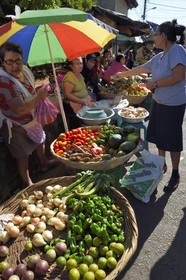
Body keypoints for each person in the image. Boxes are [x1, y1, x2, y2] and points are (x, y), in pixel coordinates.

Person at [115, 20, 186, 192]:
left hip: (173, 105)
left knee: (173, 139)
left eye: (155, 34)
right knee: (161, 137)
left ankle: (175, 173)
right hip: (159, 102)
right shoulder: (160, 56)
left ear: (163, 36)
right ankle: (161, 165)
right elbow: (141, 69)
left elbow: (179, 76)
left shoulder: (177, 50)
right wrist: (122, 74)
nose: (153, 38)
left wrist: (154, 85)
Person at [0, 42, 57, 188]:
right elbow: (20, 109)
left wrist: (36, 91)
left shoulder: (24, 72)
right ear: (2, 62)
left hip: (32, 119)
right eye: (10, 61)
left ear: (22, 60)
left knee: (39, 141)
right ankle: (28, 183)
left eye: (18, 60)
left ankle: (44, 164)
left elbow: (27, 90)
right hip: (15, 125)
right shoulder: (4, 81)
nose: (15, 66)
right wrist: (38, 95)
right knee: (22, 155)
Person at [62, 57, 94, 130]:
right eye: (77, 64)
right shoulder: (69, 77)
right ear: (71, 66)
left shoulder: (79, 74)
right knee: (76, 129)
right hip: (71, 107)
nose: (80, 65)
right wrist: (82, 101)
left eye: (81, 63)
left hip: (82, 104)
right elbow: (67, 94)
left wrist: (88, 97)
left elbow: (83, 89)